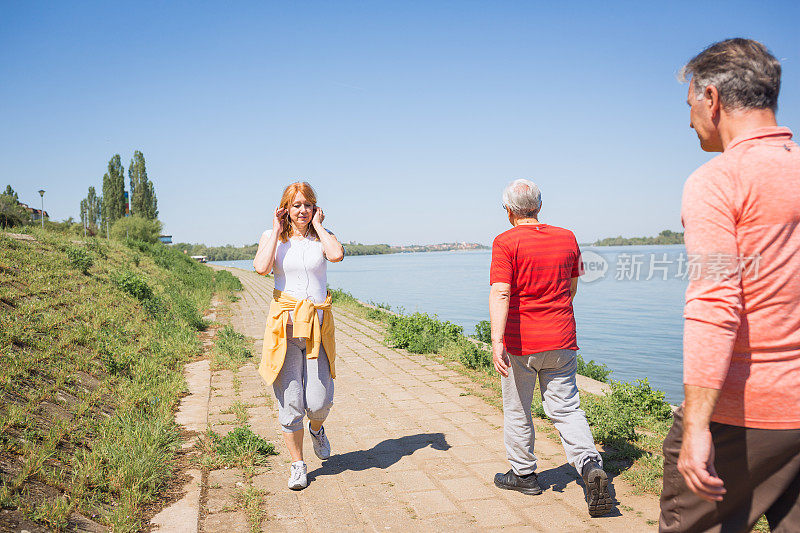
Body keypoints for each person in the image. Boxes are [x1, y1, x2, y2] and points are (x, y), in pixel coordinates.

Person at [659, 39, 800, 532]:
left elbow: (716, 302)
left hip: (747, 414)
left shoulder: (719, 180)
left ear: (712, 98)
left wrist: (697, 425)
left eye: (691, 104)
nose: (690, 119)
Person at [489, 179, 612, 517]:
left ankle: (523, 475)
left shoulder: (505, 241)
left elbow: (501, 292)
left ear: (509, 210)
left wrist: (497, 340)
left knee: (518, 408)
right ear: (539, 206)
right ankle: (589, 466)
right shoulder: (567, 237)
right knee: (566, 409)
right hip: (561, 339)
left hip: (521, 343)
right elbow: (571, 288)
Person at [253, 181, 344, 490]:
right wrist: (275, 228)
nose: (302, 210)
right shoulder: (272, 237)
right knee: (291, 402)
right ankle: (297, 465)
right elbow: (261, 269)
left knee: (319, 402)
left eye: (307, 204)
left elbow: (336, 256)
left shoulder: (323, 236)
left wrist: (319, 226)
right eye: (296, 205)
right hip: (285, 328)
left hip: (317, 329)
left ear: (315, 207)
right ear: (285, 208)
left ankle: (317, 429)